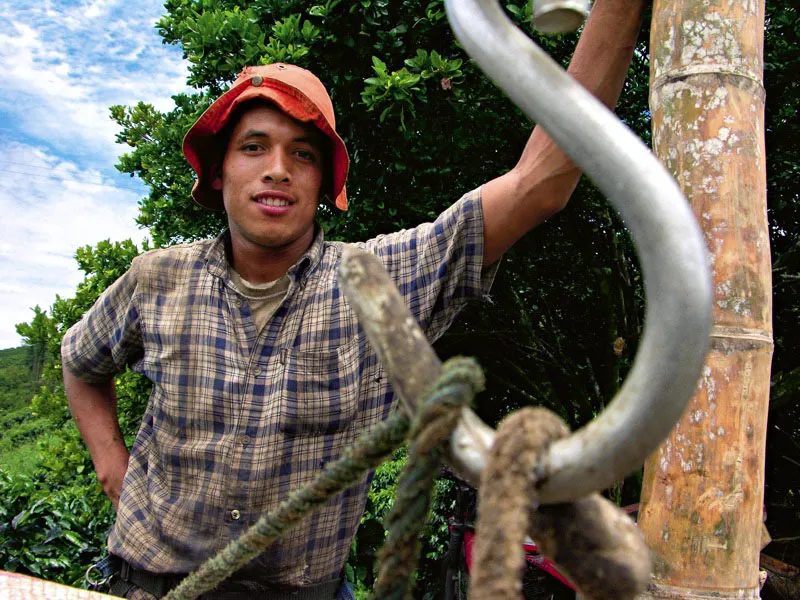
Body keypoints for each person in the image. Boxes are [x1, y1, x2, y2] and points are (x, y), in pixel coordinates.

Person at [62, 1, 645, 598]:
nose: (278, 170)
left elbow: (538, 184)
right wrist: (114, 469)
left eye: (303, 154)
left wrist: (618, 9)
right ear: (218, 172)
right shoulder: (155, 279)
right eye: (254, 147)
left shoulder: (377, 281)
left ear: (324, 183)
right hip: (149, 586)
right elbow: (79, 362)